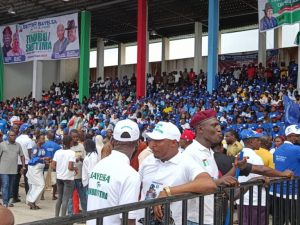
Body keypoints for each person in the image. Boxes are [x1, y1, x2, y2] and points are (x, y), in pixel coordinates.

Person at [137, 121, 217, 225]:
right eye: (151, 140)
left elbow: (208, 184)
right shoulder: (148, 160)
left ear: (173, 143)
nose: (152, 145)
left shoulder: (186, 162)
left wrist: (168, 192)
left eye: (158, 141)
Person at [184, 109, 238, 225]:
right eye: (214, 125)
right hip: (195, 219)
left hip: (209, 216)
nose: (219, 129)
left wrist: (236, 167)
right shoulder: (191, 153)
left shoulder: (209, 152)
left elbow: (216, 181)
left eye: (219, 125)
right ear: (200, 129)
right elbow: (198, 185)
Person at [87, 119, 141, 225]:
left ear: (112, 141)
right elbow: (128, 219)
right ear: (138, 143)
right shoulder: (131, 175)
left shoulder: (98, 166)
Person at [272, 125, 300, 224]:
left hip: (276, 190)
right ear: (291, 136)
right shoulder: (297, 149)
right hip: (292, 191)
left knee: (278, 220)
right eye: (298, 136)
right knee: (295, 220)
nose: (299, 138)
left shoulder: (277, 149)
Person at [237, 129, 265, 225]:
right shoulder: (255, 157)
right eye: (257, 140)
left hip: (242, 198)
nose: (260, 142)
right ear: (250, 142)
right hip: (254, 199)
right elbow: (263, 178)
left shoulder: (239, 154)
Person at [52, 135, 77, 217]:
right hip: (68, 178)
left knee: (59, 198)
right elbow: (70, 167)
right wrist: (75, 169)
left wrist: (59, 169)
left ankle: (56, 217)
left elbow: (53, 165)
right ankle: (63, 218)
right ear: (70, 142)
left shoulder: (57, 152)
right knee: (65, 199)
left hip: (59, 177)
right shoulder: (72, 153)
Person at [0, 131, 25, 208]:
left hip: (13, 170)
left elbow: (22, 156)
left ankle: (8, 200)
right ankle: (5, 202)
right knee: (5, 185)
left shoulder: (18, 145)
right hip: (3, 170)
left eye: (14, 135)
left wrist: (23, 166)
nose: (12, 137)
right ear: (8, 136)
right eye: (11, 135)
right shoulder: (2, 144)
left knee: (11, 187)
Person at [26, 134, 48, 210]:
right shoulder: (35, 148)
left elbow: (42, 159)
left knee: (36, 185)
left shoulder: (43, 148)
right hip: (34, 168)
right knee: (41, 185)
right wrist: (43, 159)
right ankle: (31, 201)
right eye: (42, 138)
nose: (44, 140)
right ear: (38, 139)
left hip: (39, 168)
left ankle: (33, 202)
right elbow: (33, 159)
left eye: (44, 138)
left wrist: (46, 161)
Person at [13, 123, 34, 203]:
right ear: (26, 129)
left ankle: (14, 197)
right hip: (26, 162)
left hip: (17, 162)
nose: (30, 130)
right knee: (27, 181)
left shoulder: (17, 139)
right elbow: (29, 152)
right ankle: (28, 199)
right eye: (29, 128)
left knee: (16, 180)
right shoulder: (28, 140)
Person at [68, 129, 86, 214]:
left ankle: (86, 215)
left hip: (79, 176)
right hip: (70, 177)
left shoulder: (82, 147)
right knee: (70, 197)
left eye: (76, 137)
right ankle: (70, 216)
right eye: (73, 137)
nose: (75, 139)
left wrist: (81, 159)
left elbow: (86, 160)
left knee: (82, 196)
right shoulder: (68, 148)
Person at [41, 130, 61, 200]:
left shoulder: (43, 145)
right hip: (53, 165)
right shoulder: (57, 146)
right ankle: (53, 196)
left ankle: (42, 195)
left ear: (47, 136)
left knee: (43, 181)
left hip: (45, 165)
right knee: (54, 181)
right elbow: (58, 157)